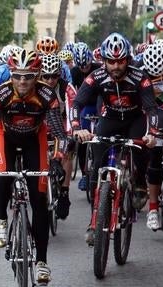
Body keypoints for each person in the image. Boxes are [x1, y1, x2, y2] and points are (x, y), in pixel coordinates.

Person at [0, 49, 67, 285]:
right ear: (11, 75)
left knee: (39, 199)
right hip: (5, 137)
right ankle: (1, 220)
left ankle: (42, 262)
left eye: (28, 76)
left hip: (33, 140)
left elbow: (59, 133)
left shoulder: (47, 94)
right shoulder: (3, 93)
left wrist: (57, 159)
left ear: (37, 75)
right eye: (17, 75)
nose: (23, 81)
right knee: (3, 175)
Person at [72, 33, 158, 245]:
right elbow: (77, 104)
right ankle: (94, 222)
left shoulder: (140, 78)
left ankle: (139, 185)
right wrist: (76, 127)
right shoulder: (96, 77)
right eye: (111, 62)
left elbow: (151, 108)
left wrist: (152, 133)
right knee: (96, 167)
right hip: (109, 118)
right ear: (104, 61)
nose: (116, 66)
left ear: (128, 60)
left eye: (120, 61)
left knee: (141, 149)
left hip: (135, 120)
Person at [39, 53, 77, 220]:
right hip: (40, 125)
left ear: (59, 74)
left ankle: (64, 192)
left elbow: (71, 114)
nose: (49, 80)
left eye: (54, 76)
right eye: (45, 76)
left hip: (60, 124)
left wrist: (70, 135)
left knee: (67, 150)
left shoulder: (66, 88)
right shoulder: (34, 87)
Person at [139, 43, 163, 231]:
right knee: (155, 159)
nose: (158, 80)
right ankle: (153, 209)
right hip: (152, 117)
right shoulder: (140, 74)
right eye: (154, 76)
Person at [70, 42, 103, 192]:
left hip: (98, 101)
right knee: (83, 140)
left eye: (86, 65)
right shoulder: (75, 71)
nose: (84, 69)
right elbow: (73, 92)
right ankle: (84, 174)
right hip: (85, 104)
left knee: (100, 132)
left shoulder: (98, 68)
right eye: (81, 66)